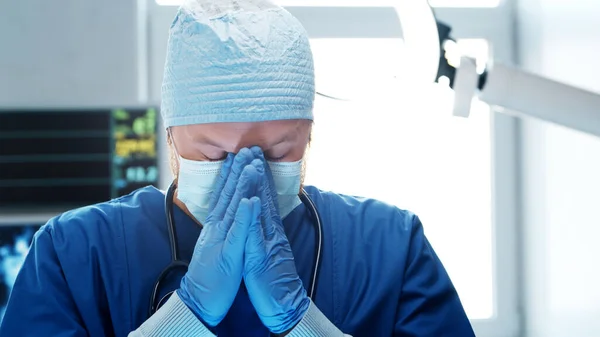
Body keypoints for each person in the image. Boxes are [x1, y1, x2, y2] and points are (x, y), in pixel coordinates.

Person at [0, 0, 476, 336]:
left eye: (277, 152)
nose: (247, 176)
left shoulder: (389, 248)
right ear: (170, 136)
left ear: (310, 135)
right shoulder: (73, 254)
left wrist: (302, 323)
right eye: (213, 154)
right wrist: (184, 318)